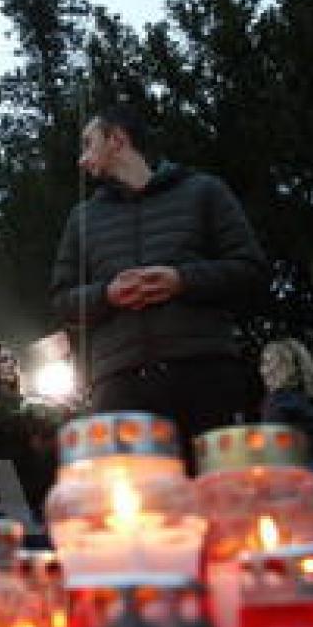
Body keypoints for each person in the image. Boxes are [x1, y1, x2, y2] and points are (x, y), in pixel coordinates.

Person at [50, 104, 268, 465]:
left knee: (220, 503)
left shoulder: (204, 191)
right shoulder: (82, 219)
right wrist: (107, 295)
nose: (81, 159)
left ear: (117, 139)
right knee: (140, 513)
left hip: (207, 377)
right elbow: (61, 301)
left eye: (89, 144)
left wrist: (182, 280)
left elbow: (251, 271)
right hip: (120, 388)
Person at [0, 341, 61, 543]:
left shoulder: (26, 404)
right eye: (3, 359)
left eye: (12, 360)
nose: (11, 364)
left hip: (35, 492)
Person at [259, 338, 313, 469]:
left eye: (269, 363)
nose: (264, 371)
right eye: (263, 364)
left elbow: (272, 451)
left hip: (297, 478)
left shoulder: (280, 401)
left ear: (291, 367)